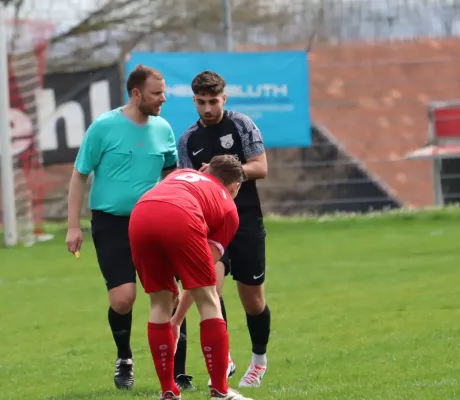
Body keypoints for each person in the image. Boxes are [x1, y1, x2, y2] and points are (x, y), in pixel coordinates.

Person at [65, 64, 178, 390]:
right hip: (111, 224)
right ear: (136, 93)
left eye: (164, 92)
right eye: (157, 93)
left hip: (154, 223)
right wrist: (73, 227)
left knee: (168, 296)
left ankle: (173, 373)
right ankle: (124, 357)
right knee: (123, 300)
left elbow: (172, 175)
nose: (163, 99)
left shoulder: (163, 129)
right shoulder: (103, 127)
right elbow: (79, 175)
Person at [128, 155, 254, 400]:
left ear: (207, 169)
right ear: (234, 186)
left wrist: (174, 321)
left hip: (140, 214)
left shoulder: (178, 175)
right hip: (179, 215)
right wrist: (178, 320)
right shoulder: (229, 208)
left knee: (158, 303)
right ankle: (220, 390)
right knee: (209, 299)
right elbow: (200, 279)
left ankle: (168, 391)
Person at [177, 71, 270, 389]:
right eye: (201, 102)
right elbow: (187, 184)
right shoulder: (188, 139)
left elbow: (261, 167)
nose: (207, 109)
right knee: (211, 288)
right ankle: (224, 355)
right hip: (211, 224)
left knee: (253, 299)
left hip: (244, 220)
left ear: (224, 99)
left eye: (213, 102)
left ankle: (258, 361)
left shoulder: (240, 125)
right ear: (194, 101)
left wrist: (223, 173)